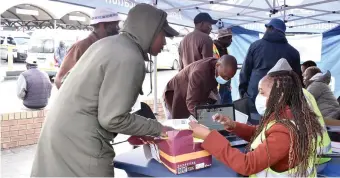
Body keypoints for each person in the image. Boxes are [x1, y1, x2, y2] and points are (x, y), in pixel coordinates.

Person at [31, 3, 179, 177]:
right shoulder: (130, 57)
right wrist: (159, 129)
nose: (165, 42)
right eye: (163, 35)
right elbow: (113, 119)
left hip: (59, 135)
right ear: (150, 31)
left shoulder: (108, 44)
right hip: (81, 145)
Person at [189, 69, 324, 177]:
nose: (258, 97)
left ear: (280, 95)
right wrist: (233, 125)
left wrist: (208, 136)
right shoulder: (288, 115)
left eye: (262, 92)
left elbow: (247, 165)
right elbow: (262, 134)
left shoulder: (285, 130)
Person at [239, 18, 301, 114]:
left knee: (253, 127)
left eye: (267, 27)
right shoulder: (293, 52)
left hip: (255, 100)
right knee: (277, 127)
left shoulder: (255, 46)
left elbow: (244, 72)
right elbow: (297, 80)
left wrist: (244, 95)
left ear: (271, 28)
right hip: (282, 104)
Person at [54, 8, 122, 89]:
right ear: (102, 25)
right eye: (114, 25)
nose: (118, 29)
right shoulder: (81, 47)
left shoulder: (112, 46)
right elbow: (60, 80)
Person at [163, 55, 237, 119]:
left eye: (229, 78)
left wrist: (219, 105)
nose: (225, 79)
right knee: (177, 128)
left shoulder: (217, 68)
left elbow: (213, 89)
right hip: (174, 96)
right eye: (224, 76)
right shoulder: (199, 73)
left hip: (190, 97)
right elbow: (191, 104)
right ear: (217, 66)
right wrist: (207, 118)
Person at [213, 28, 233, 104]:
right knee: (220, 108)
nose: (231, 41)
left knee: (228, 108)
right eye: (230, 38)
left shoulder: (225, 49)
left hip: (226, 85)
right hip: (218, 86)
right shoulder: (213, 47)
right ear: (223, 38)